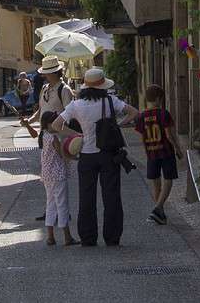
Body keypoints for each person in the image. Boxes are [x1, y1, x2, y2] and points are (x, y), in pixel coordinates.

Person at [52, 67, 138, 247]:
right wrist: (118, 125)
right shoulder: (110, 101)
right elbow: (134, 113)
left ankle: (88, 237)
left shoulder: (76, 105)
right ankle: (112, 237)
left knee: (86, 198)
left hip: (86, 155)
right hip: (108, 154)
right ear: (102, 86)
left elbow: (56, 124)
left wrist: (76, 135)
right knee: (112, 196)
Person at [134, 84, 184, 225]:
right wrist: (178, 150)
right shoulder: (163, 114)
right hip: (166, 151)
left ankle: (159, 213)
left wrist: (146, 152)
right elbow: (169, 134)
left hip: (151, 152)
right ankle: (157, 209)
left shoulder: (141, 117)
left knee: (156, 184)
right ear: (158, 98)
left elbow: (142, 138)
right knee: (168, 180)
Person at [30, 110, 75, 246]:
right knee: (62, 205)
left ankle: (50, 237)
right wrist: (74, 156)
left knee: (50, 205)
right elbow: (62, 154)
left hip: (47, 174)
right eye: (55, 122)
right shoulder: (53, 137)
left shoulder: (44, 135)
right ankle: (67, 237)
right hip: (58, 174)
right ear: (49, 123)